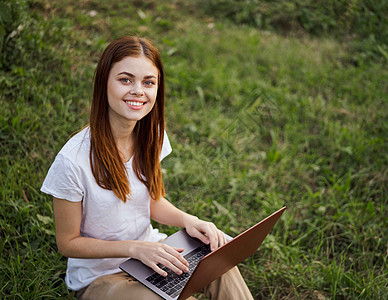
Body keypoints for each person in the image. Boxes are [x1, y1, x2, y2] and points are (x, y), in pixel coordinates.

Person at [41, 36, 253, 300]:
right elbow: (68, 243)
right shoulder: (72, 161)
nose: (138, 91)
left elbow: (151, 201)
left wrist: (190, 221)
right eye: (125, 79)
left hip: (152, 253)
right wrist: (136, 248)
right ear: (104, 82)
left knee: (220, 264)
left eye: (148, 82)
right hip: (101, 277)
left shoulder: (152, 135)